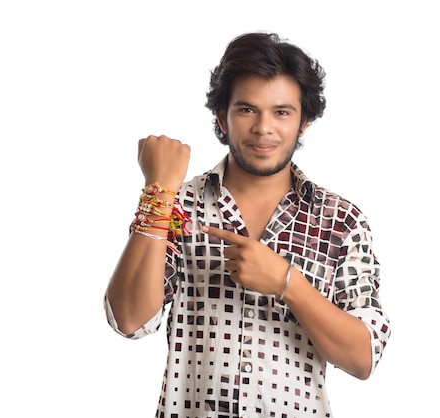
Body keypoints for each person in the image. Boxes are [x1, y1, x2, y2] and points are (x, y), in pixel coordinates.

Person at [104, 31, 391, 418]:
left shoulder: (340, 219)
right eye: (247, 110)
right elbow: (129, 319)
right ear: (222, 117)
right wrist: (159, 191)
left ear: (304, 122)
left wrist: (287, 283)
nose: (263, 128)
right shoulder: (177, 204)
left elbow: (363, 358)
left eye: (282, 112)